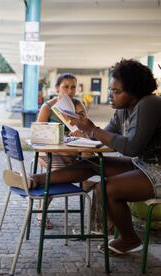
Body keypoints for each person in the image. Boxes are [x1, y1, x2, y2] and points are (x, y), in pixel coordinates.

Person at [32, 59, 161, 254]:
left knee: (106, 188)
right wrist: (84, 132)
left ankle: (130, 239)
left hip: (157, 171)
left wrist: (94, 130)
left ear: (135, 91)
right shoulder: (123, 110)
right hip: (143, 165)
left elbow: (132, 147)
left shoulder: (150, 104)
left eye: (116, 92)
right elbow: (103, 138)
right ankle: (36, 180)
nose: (110, 95)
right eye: (110, 90)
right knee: (92, 162)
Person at [35, 73, 88, 229]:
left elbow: (87, 131)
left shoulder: (78, 105)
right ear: (57, 88)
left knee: (88, 165)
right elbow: (38, 135)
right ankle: (41, 211)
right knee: (60, 169)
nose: (70, 91)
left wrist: (80, 132)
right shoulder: (48, 107)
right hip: (48, 153)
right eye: (66, 87)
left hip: (71, 153)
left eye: (73, 87)